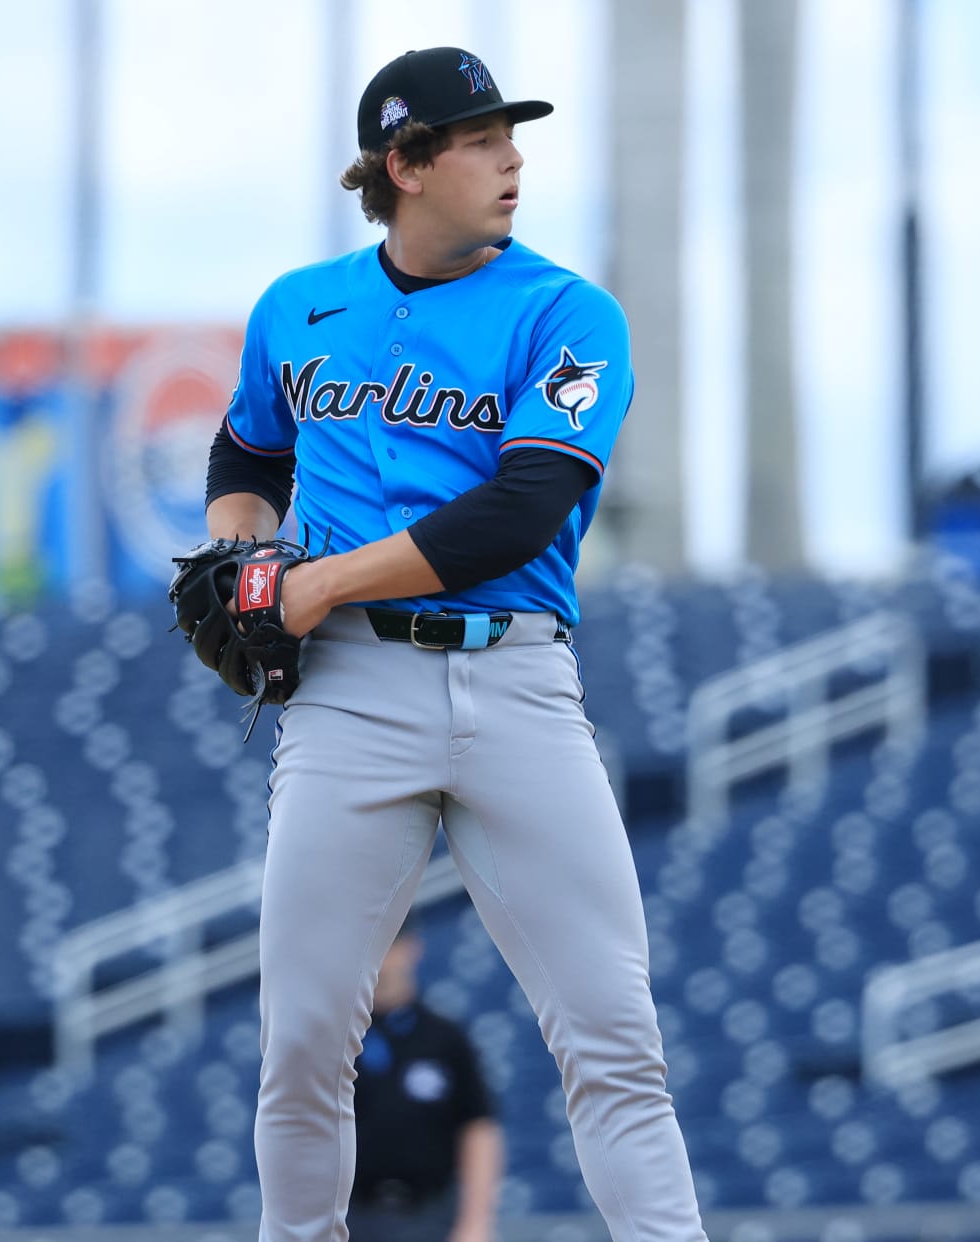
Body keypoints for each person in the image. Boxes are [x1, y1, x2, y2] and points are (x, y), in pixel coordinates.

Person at [199, 45, 707, 1242]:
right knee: (303, 1044)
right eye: (482, 140)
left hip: (519, 683)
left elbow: (519, 510)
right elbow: (246, 452)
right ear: (407, 164)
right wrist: (241, 558)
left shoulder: (566, 312)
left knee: (613, 1036)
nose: (513, 159)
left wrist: (313, 585)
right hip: (349, 695)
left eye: (511, 137)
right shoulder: (297, 307)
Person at [347, 915, 502, 1241]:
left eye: (388, 945)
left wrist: (476, 1223)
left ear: (411, 948)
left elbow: (478, 1128)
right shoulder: (338, 1042)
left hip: (428, 1216)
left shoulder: (445, 1038)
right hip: (351, 1215)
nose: (379, 959)